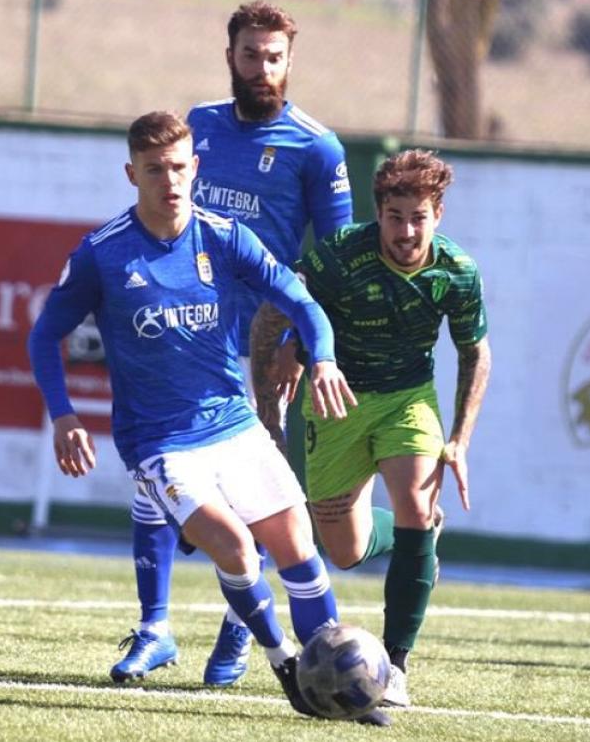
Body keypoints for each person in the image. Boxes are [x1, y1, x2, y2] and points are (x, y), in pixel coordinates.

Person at [27, 112, 388, 725]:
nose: (169, 181)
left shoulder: (225, 235)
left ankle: (343, 687)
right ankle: (284, 663)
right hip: (159, 441)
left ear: (195, 168)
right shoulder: (102, 253)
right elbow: (44, 336)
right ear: (131, 173)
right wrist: (63, 416)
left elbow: (300, 300)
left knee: (300, 549)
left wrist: (321, 356)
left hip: (233, 424)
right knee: (235, 546)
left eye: (178, 167)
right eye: (154, 170)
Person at [120, 0, 355, 688]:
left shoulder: (317, 147)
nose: (262, 68)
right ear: (231, 56)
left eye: (274, 56)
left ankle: (239, 631)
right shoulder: (199, 127)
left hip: (263, 344)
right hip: (187, 334)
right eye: (250, 54)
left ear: (290, 61)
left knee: (261, 498)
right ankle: (154, 626)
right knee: (154, 472)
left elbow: (333, 258)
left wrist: (299, 349)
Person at [251, 149, 492, 708]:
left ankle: (398, 665)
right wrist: (272, 400)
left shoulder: (457, 272)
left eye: (419, 218)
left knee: (414, 501)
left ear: (438, 215)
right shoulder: (339, 256)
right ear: (378, 213)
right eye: (395, 217)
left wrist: (459, 438)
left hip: (409, 400)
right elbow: (274, 315)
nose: (406, 231)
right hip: (334, 400)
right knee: (345, 549)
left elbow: (475, 352)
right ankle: (415, 535)